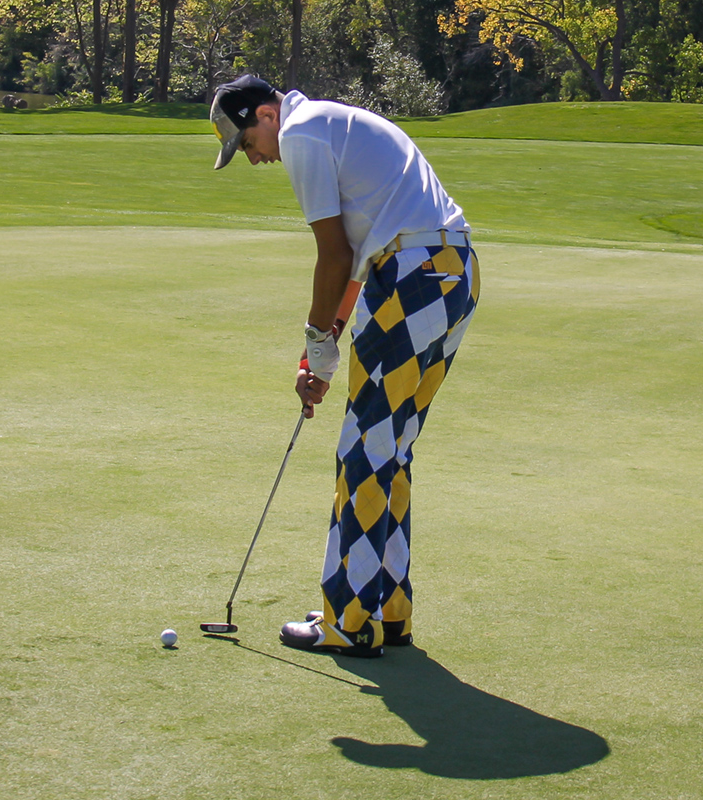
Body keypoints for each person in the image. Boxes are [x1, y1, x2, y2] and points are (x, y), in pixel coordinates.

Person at [210, 75, 480, 658]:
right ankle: (385, 610)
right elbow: (354, 271)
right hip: (449, 273)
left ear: (265, 113)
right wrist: (322, 357)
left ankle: (348, 621)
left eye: (248, 142)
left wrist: (313, 340)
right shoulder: (332, 125)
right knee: (388, 450)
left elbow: (331, 255)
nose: (254, 158)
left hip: (413, 279)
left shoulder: (303, 133)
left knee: (363, 452)